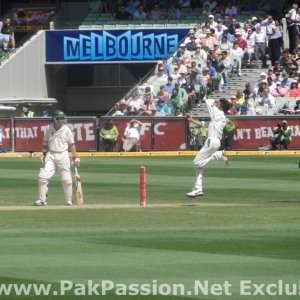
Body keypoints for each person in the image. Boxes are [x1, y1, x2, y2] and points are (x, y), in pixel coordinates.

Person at [186, 98, 230, 198]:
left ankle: (217, 155)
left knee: (196, 163)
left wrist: (205, 98)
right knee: (199, 166)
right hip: (215, 142)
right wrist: (191, 120)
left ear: (220, 106)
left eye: (218, 103)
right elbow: (203, 125)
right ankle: (198, 189)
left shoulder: (218, 112)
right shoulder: (218, 117)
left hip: (212, 141)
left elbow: (209, 102)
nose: (216, 103)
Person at [34, 110, 80, 206]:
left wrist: (75, 157)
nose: (62, 120)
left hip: (63, 155)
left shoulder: (66, 129)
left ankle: (69, 200)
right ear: (54, 119)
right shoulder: (48, 128)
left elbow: (72, 144)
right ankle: (42, 200)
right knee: (42, 176)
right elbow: (45, 142)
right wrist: (44, 154)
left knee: (66, 179)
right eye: (60, 118)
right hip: (51, 154)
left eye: (63, 118)